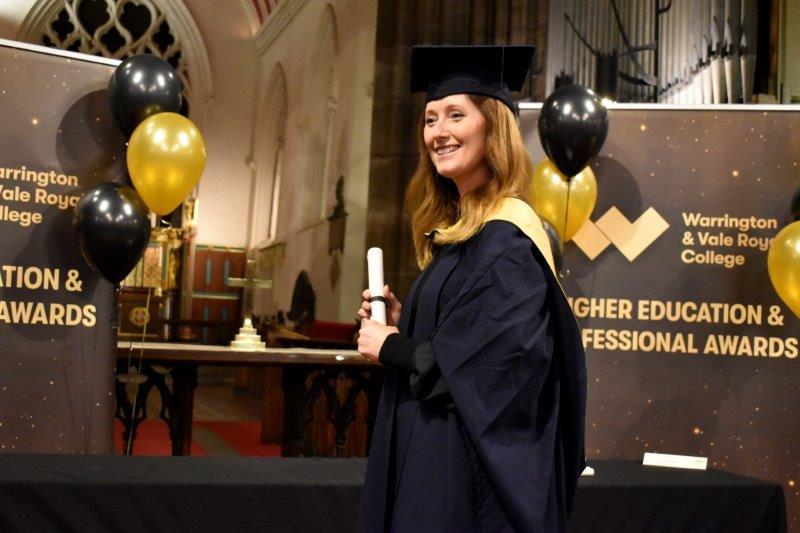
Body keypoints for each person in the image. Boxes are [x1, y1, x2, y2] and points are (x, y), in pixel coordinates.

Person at [356, 45, 587, 532]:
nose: (438, 132)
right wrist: (401, 324)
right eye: (430, 119)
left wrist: (393, 348)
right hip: (434, 456)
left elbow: (494, 372)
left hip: (467, 478)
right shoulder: (462, 237)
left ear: (494, 127)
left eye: (456, 115)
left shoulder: (508, 241)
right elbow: (457, 338)